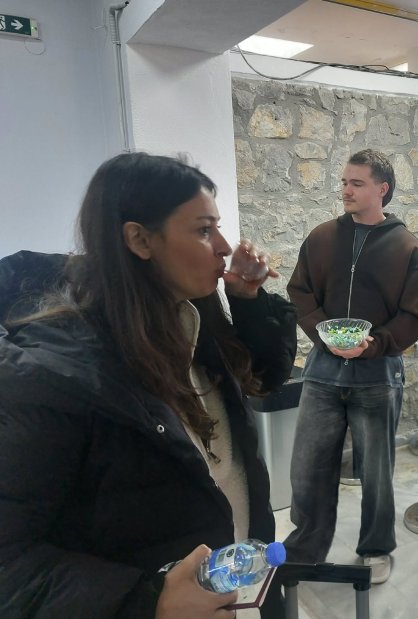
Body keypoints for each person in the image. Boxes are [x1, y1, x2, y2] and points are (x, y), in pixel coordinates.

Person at [0, 152, 297, 619]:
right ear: (139, 239)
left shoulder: (192, 319)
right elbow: (12, 565)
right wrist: (147, 601)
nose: (224, 246)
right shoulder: (55, 375)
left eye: (218, 227)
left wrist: (248, 301)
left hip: (232, 583)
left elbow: (264, 378)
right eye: (204, 230)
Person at [283, 149, 418, 584]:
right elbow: (299, 290)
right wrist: (323, 333)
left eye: (356, 183)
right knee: (307, 467)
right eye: (344, 182)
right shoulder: (322, 237)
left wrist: (374, 344)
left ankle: (376, 549)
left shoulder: (407, 247)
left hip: (377, 376)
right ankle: (305, 549)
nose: (345, 190)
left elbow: (415, 315)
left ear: (381, 189)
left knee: (376, 473)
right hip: (322, 374)